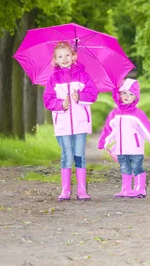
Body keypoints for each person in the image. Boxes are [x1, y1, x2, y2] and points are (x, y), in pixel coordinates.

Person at [43, 41, 98, 201]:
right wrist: (61, 104)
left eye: (67, 55)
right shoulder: (53, 79)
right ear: (55, 60)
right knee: (67, 155)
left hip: (80, 123)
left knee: (79, 154)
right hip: (62, 125)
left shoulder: (83, 75)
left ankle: (81, 189)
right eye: (60, 56)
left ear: (74, 56)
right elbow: (48, 100)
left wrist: (80, 97)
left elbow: (93, 94)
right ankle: (65, 190)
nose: (64, 58)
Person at [98, 78, 150, 198]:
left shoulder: (138, 114)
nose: (127, 96)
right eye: (124, 93)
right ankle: (126, 189)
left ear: (136, 97)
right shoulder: (114, 114)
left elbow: (148, 130)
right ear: (119, 94)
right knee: (124, 168)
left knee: (137, 167)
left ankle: (140, 189)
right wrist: (103, 142)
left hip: (135, 149)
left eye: (131, 94)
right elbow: (109, 130)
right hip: (121, 149)